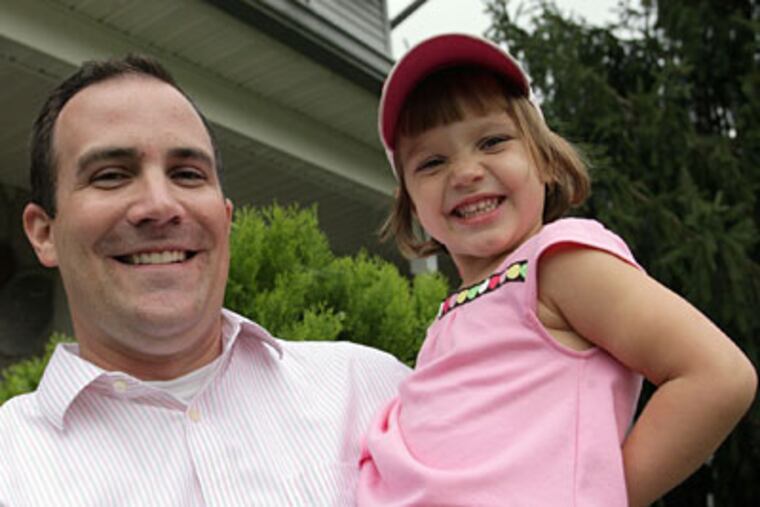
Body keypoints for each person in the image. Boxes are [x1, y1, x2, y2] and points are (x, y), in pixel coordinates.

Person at [357, 34, 757, 507]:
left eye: (492, 141)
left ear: (544, 160)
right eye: (432, 162)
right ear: (412, 203)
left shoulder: (556, 260)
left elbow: (717, 374)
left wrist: (602, 493)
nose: (464, 172)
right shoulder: (448, 318)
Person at [0, 54, 410, 506]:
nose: (160, 205)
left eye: (187, 175)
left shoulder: (371, 391)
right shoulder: (11, 465)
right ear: (44, 232)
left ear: (226, 218)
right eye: (111, 175)